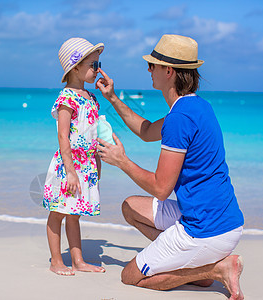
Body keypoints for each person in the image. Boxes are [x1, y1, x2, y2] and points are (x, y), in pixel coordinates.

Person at [95, 34, 245, 299]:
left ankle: (216, 269)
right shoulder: (196, 106)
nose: (148, 69)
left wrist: (122, 161)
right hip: (224, 220)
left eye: (152, 65)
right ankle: (197, 267)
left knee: (130, 276)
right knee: (130, 207)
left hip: (206, 229)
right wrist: (113, 98)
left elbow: (161, 188)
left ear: (169, 71)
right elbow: (147, 131)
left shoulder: (180, 118)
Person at [43, 37, 106, 276]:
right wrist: (70, 170)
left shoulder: (91, 98)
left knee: (75, 212)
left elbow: (93, 134)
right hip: (68, 165)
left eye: (98, 63)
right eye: (93, 64)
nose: (97, 69)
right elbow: (63, 137)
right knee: (58, 210)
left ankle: (78, 260)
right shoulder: (66, 98)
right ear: (75, 67)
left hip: (86, 164)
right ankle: (56, 261)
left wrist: (97, 163)